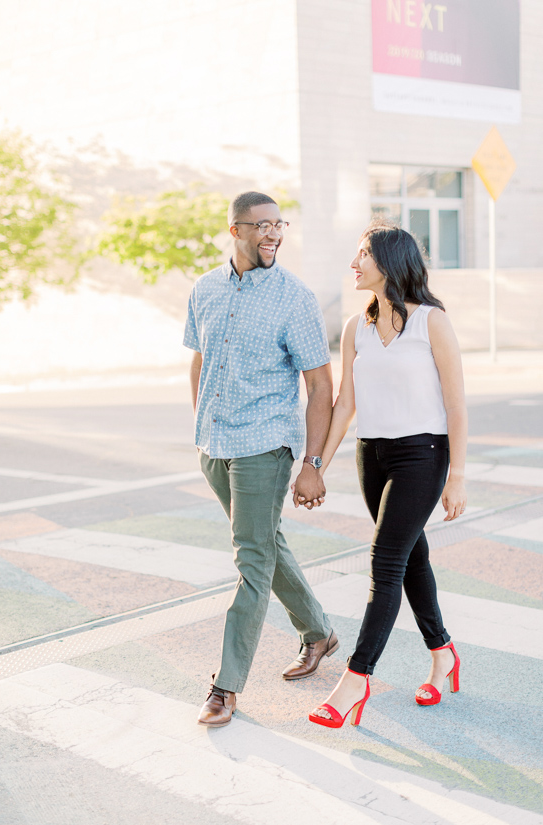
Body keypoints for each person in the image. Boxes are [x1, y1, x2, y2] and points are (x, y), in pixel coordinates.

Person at [184, 191, 339, 728]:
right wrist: (203, 424)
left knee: (251, 560)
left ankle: (225, 688)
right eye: (261, 226)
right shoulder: (203, 289)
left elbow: (320, 383)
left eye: (279, 225)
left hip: (264, 444)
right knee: (265, 542)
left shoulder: (295, 297)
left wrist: (312, 463)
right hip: (214, 446)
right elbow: (200, 359)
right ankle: (319, 633)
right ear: (236, 230)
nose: (273, 234)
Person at [306, 220, 467, 729]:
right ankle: (443, 654)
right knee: (410, 556)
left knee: (385, 561)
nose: (353, 264)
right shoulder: (356, 327)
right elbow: (345, 403)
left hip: (423, 455)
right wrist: (317, 467)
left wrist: (457, 475)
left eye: (362, 255)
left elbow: (456, 405)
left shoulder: (431, 322)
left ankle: (356, 680)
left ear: (390, 262)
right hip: (372, 455)